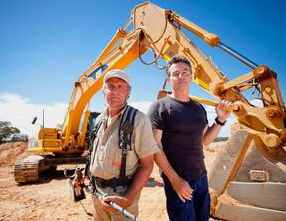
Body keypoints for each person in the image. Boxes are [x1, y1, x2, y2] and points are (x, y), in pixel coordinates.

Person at [148, 55, 232, 221]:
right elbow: (154, 145)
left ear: (192, 77)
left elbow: (204, 141)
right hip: (178, 183)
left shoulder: (198, 108)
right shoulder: (160, 107)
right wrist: (176, 180)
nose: (181, 77)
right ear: (169, 78)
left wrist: (220, 120)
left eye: (185, 72)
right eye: (176, 73)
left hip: (201, 178)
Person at [88, 69, 159, 221]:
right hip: (97, 194)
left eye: (121, 87)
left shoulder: (138, 120)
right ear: (103, 91)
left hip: (121, 198)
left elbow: (147, 165)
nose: (115, 91)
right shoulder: (99, 120)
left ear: (128, 92)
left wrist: (127, 199)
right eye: (111, 87)